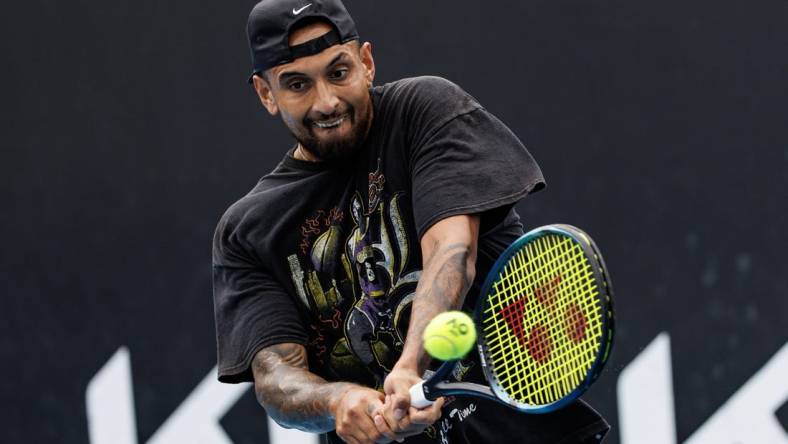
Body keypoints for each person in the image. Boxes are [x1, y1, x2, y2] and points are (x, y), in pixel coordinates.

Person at [212, 0, 610, 442]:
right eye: (298, 84)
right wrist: (339, 400)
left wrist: (409, 366)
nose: (326, 101)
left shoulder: (423, 112)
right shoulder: (247, 231)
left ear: (366, 62)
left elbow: (451, 250)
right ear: (266, 93)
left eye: (338, 72)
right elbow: (275, 377)